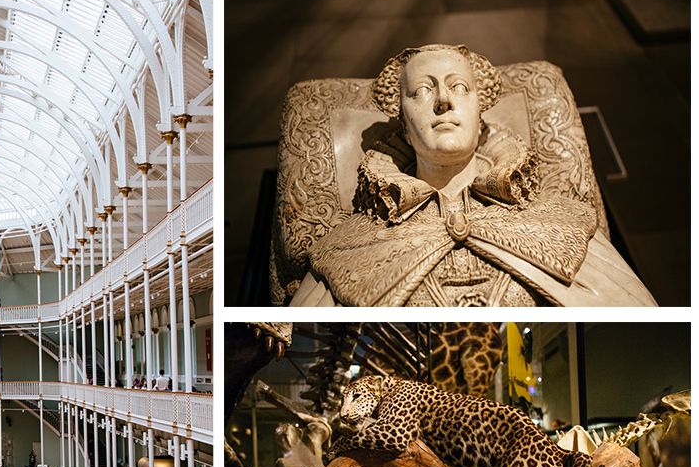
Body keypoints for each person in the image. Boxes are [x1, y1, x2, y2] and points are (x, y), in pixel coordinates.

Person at [280, 44, 656, 307]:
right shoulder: (350, 247)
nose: (444, 101)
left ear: (480, 111)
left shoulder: (560, 223)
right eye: (422, 91)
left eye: (459, 87)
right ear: (404, 123)